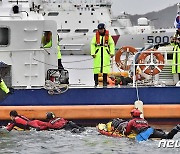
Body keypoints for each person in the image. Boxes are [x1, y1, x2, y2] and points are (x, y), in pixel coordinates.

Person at [91, 23, 115, 87]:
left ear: (104, 29)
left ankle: (105, 82)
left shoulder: (108, 37)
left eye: (101, 29)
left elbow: (112, 44)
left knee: (105, 68)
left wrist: (112, 52)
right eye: (99, 29)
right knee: (96, 69)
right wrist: (93, 53)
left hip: (105, 53)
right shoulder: (95, 37)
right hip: (98, 54)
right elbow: (92, 44)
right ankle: (96, 82)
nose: (100, 30)